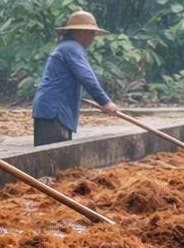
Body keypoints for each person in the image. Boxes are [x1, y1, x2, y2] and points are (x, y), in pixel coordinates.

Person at [32, 10, 121, 147]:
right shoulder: (72, 48)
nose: (93, 38)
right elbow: (87, 77)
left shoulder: (66, 47)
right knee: (54, 155)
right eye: (91, 33)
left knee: (56, 153)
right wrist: (105, 102)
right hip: (54, 109)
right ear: (80, 32)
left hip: (53, 106)